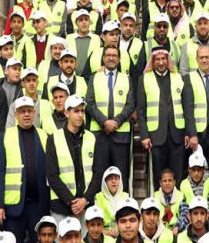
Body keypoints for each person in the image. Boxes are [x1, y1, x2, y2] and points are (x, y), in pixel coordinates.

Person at [0, 96, 50, 243]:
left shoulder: (44, 135)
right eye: (22, 111)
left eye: (29, 111)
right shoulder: (6, 136)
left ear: (35, 113)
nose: (26, 115)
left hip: (38, 205)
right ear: (16, 114)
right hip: (14, 207)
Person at [138, 46, 196, 187]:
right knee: (158, 176)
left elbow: (187, 108)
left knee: (178, 175)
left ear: (168, 60)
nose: (161, 62)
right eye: (157, 59)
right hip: (155, 136)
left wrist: (188, 133)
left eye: (163, 59)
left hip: (177, 135)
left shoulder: (179, 78)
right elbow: (141, 110)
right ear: (153, 61)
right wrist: (144, 136)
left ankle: (178, 201)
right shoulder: (144, 79)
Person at [87, 45, 135, 188]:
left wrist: (116, 122)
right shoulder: (94, 78)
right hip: (99, 135)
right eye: (108, 55)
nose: (111, 58)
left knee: (121, 176)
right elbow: (90, 104)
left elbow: (130, 104)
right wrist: (104, 122)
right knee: (99, 176)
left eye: (114, 55)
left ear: (119, 59)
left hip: (121, 136)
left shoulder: (127, 79)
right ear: (103, 58)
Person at [46, 95, 99, 223]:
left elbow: (98, 173)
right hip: (61, 207)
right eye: (76, 111)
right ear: (67, 113)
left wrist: (85, 200)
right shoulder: (54, 138)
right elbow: (52, 175)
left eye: (82, 111)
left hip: (86, 207)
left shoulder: (91, 138)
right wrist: (72, 202)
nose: (80, 115)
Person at [93, 166, 129, 236]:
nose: (113, 181)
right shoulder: (98, 197)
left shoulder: (126, 197)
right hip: (103, 234)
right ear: (105, 182)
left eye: (116, 178)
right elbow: (94, 221)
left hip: (123, 232)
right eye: (110, 179)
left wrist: (119, 228)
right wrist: (105, 232)